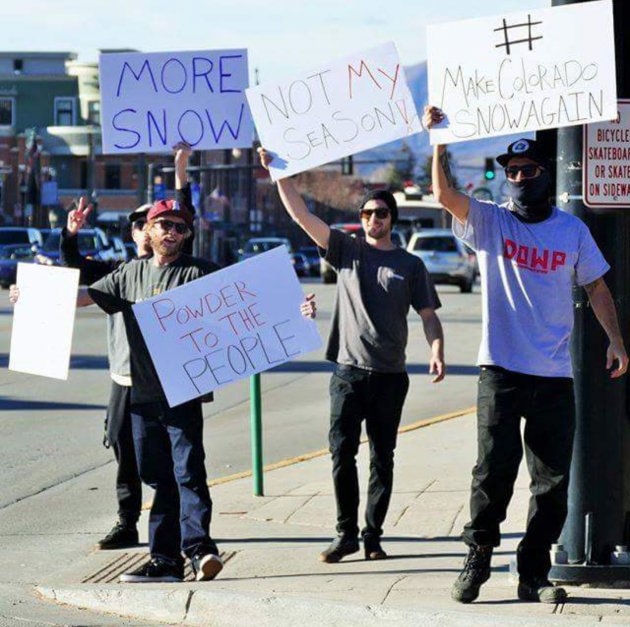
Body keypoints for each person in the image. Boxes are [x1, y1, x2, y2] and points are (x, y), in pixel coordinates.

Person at [423, 106, 629, 604]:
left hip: (555, 375)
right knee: (492, 474)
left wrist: (616, 340)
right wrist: (439, 142)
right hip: (500, 371)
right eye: (510, 172)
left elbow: (597, 287)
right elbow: (444, 195)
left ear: (545, 174)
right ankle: (477, 559)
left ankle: (533, 573)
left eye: (528, 171)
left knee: (551, 484)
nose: (517, 178)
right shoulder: (491, 222)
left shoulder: (571, 231)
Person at [258, 147, 445, 563]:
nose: (372, 219)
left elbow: (429, 315)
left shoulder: (410, 264)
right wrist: (278, 173)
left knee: (383, 458)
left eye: (380, 213)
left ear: (392, 218)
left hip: (390, 375)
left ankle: (373, 535)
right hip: (347, 373)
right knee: (342, 454)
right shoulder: (346, 250)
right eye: (366, 214)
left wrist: (437, 350)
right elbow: (301, 216)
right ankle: (345, 534)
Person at [57, 142, 193, 551]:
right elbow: (74, 268)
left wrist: (181, 171)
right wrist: (70, 233)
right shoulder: (118, 273)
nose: (147, 231)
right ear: (138, 233)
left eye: (149, 224)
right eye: (139, 225)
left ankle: (180, 527)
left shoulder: (178, 270)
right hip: (124, 376)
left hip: (163, 379)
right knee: (122, 445)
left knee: (168, 459)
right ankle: (127, 520)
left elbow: (187, 215)